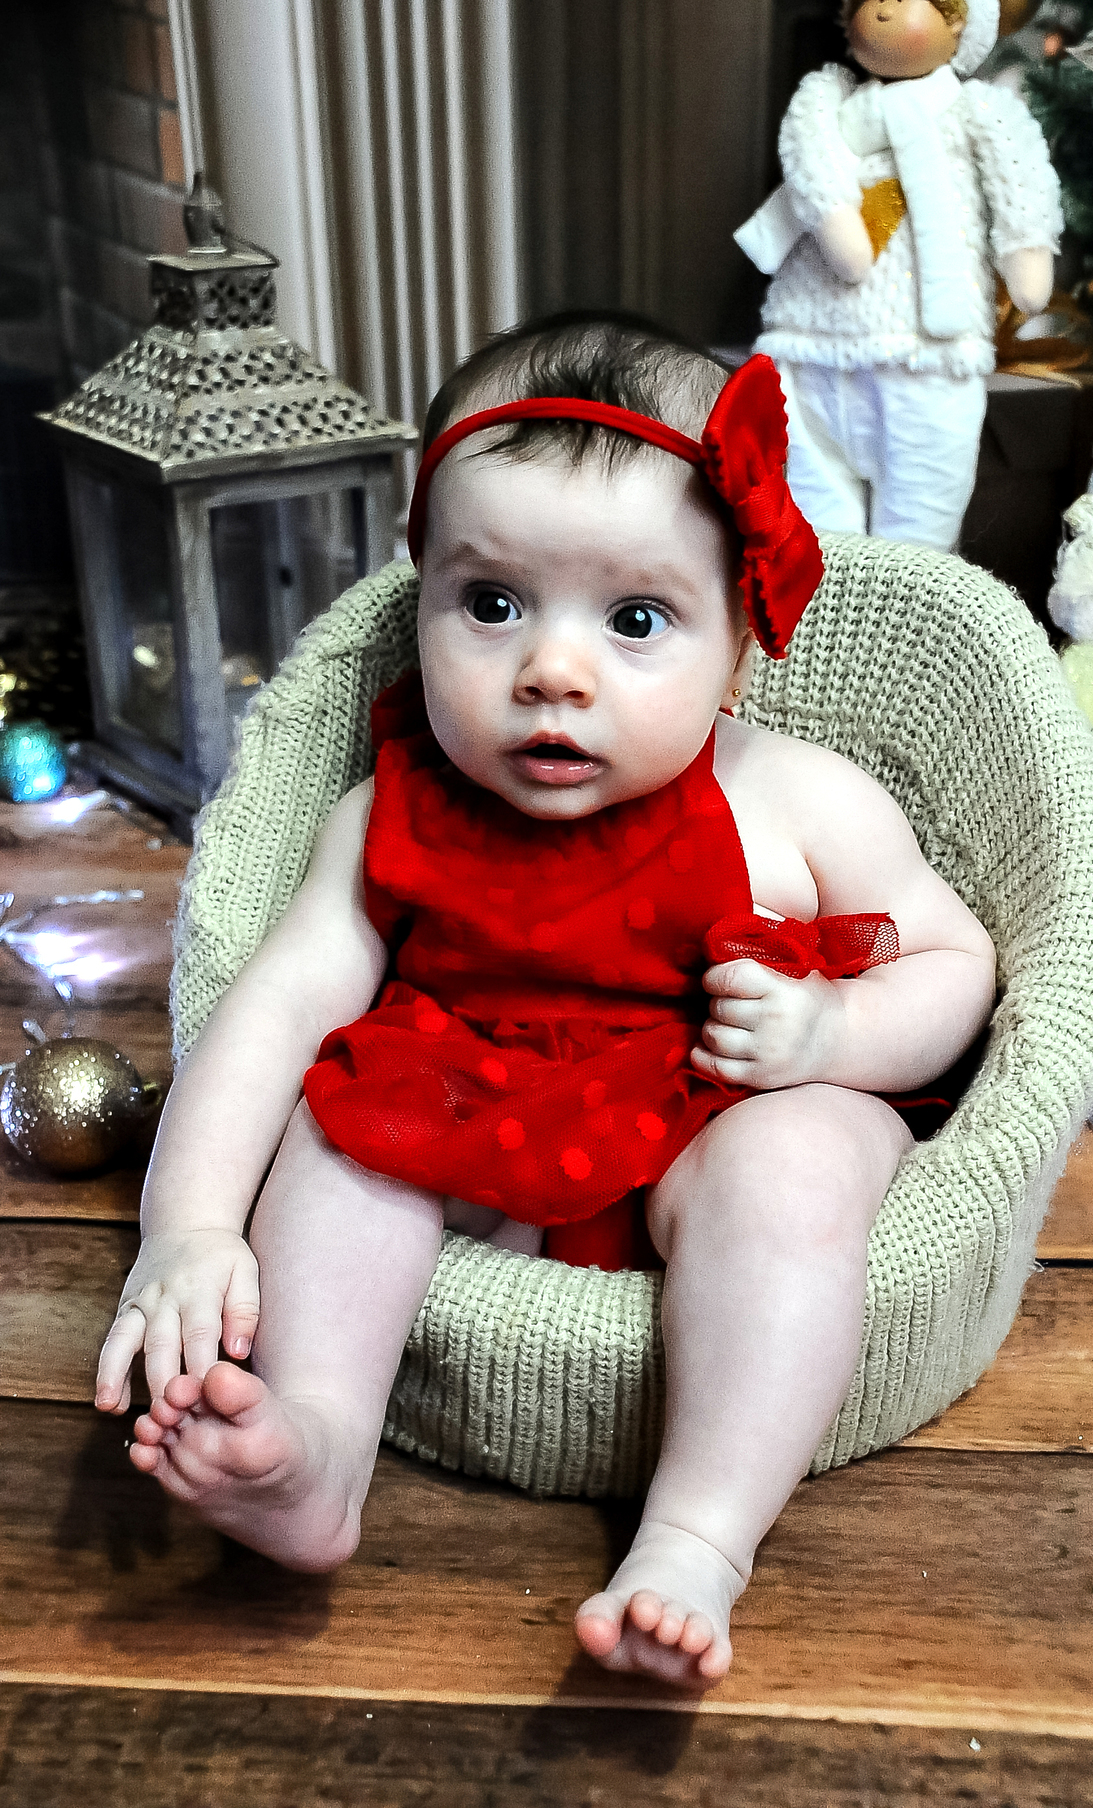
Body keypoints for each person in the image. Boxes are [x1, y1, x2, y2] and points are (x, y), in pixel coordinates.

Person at [94, 311, 996, 1690]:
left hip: (713, 1108)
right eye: (492, 602)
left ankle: (698, 1534)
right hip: (480, 1112)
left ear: (739, 648)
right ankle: (320, 1443)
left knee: (799, 1162)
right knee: (341, 1136)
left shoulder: (797, 800)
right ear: (421, 600)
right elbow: (271, 1012)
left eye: (636, 620)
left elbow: (957, 963)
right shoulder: (392, 812)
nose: (551, 671)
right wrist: (191, 1227)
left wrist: (836, 1034)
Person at [734, 0, 1061, 551]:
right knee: (814, 527)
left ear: (957, 22)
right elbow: (811, 158)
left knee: (920, 533)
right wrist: (833, 215)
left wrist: (1027, 247)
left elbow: (1020, 178)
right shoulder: (827, 99)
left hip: (929, 350)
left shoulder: (976, 110)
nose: (883, 10)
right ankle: (824, 600)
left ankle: (906, 599)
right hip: (811, 342)